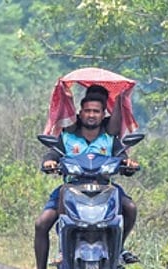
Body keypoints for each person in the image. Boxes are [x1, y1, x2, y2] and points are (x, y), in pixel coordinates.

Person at [34, 94, 140, 269]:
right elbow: (52, 154)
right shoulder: (67, 137)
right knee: (41, 223)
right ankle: (56, 255)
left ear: (103, 114)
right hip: (72, 187)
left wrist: (129, 164)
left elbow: (122, 159)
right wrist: (49, 162)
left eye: (96, 111)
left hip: (105, 188)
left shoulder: (109, 139)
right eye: (88, 111)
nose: (92, 115)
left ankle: (119, 248)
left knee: (130, 208)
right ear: (80, 113)